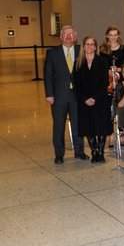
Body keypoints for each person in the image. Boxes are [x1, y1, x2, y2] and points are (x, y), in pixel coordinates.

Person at [44, 25, 87, 164]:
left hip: (76, 95)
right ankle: (59, 154)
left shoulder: (81, 51)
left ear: (75, 37)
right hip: (58, 96)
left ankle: (79, 152)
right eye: (65, 34)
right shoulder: (52, 53)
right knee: (58, 126)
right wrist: (49, 94)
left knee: (78, 125)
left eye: (71, 34)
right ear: (61, 37)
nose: (68, 37)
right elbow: (48, 75)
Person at [73, 36, 112, 164]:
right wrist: (85, 99)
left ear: (95, 47)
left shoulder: (102, 61)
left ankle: (100, 151)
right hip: (84, 100)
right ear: (83, 47)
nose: (89, 47)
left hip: (100, 99)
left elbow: (104, 82)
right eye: (87, 44)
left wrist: (95, 98)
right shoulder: (77, 62)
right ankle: (94, 151)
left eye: (92, 44)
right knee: (88, 126)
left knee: (101, 125)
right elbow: (76, 84)